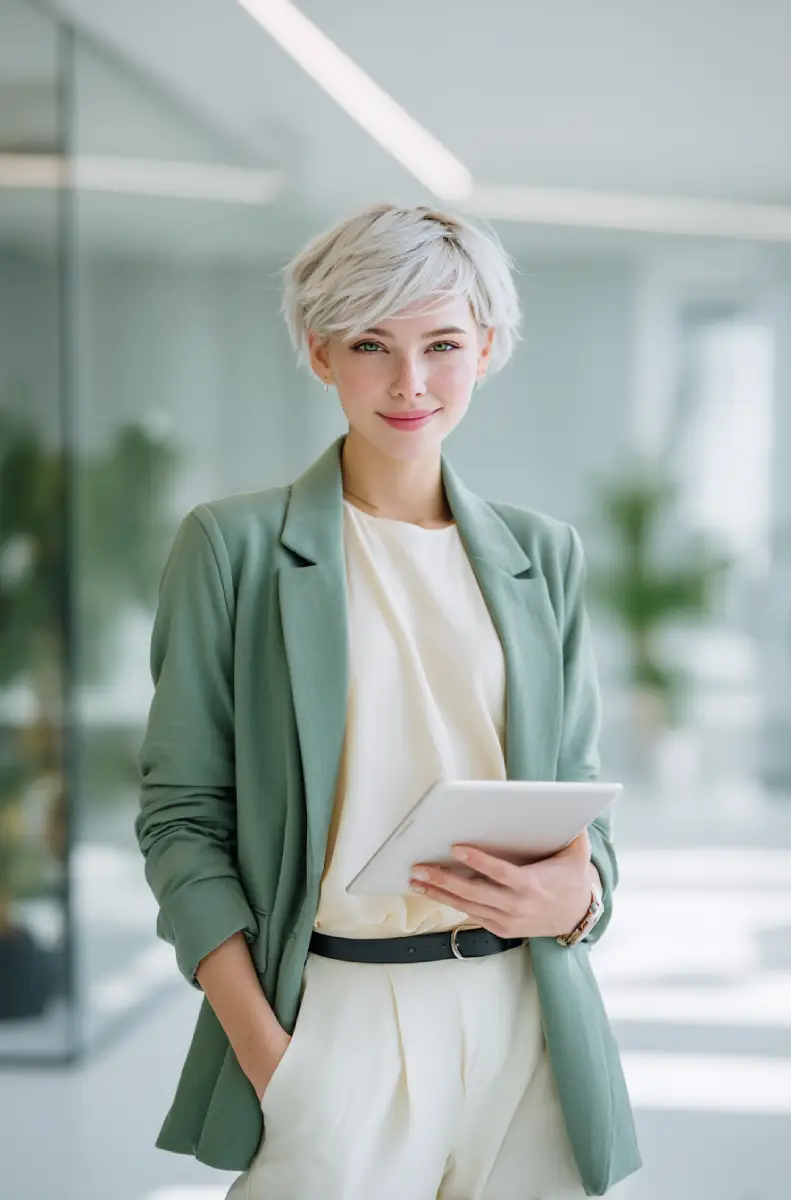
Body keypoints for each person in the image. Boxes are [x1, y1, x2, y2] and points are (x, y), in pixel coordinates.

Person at [135, 202, 642, 1200]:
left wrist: (580, 901)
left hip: (525, 1017)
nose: (409, 381)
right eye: (370, 343)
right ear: (320, 356)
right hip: (335, 1014)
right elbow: (181, 821)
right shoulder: (230, 549)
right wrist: (275, 1057)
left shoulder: (543, 555)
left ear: (486, 349)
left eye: (441, 343)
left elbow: (580, 814)